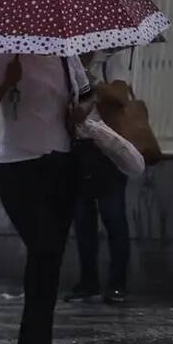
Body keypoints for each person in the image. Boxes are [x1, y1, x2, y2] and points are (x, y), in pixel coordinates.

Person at [0, 53, 91, 344]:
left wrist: (82, 110)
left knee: (50, 258)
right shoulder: (5, 57)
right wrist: (6, 84)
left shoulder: (67, 57)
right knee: (44, 246)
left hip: (62, 166)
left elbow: (87, 95)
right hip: (18, 169)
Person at [65, 49, 131, 304]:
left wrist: (91, 81)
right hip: (78, 147)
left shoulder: (109, 60)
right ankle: (88, 281)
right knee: (83, 219)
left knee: (113, 217)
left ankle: (117, 284)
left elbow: (121, 95)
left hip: (107, 149)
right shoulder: (66, 61)